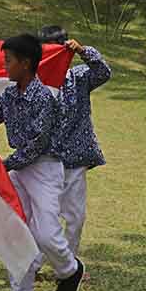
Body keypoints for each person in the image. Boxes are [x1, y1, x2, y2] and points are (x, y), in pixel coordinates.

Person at [0, 34, 84, 291]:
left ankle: (70, 270)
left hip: (44, 170)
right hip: (20, 169)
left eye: (8, 61)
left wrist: (5, 165)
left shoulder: (44, 98)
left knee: (46, 234)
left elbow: (37, 143)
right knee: (17, 229)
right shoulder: (10, 94)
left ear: (26, 64)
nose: (4, 66)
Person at [37, 26, 111, 265]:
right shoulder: (32, 83)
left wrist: (83, 51)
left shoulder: (79, 78)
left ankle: (67, 265)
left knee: (75, 217)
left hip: (74, 161)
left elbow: (103, 72)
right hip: (43, 162)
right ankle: (33, 263)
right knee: (41, 219)